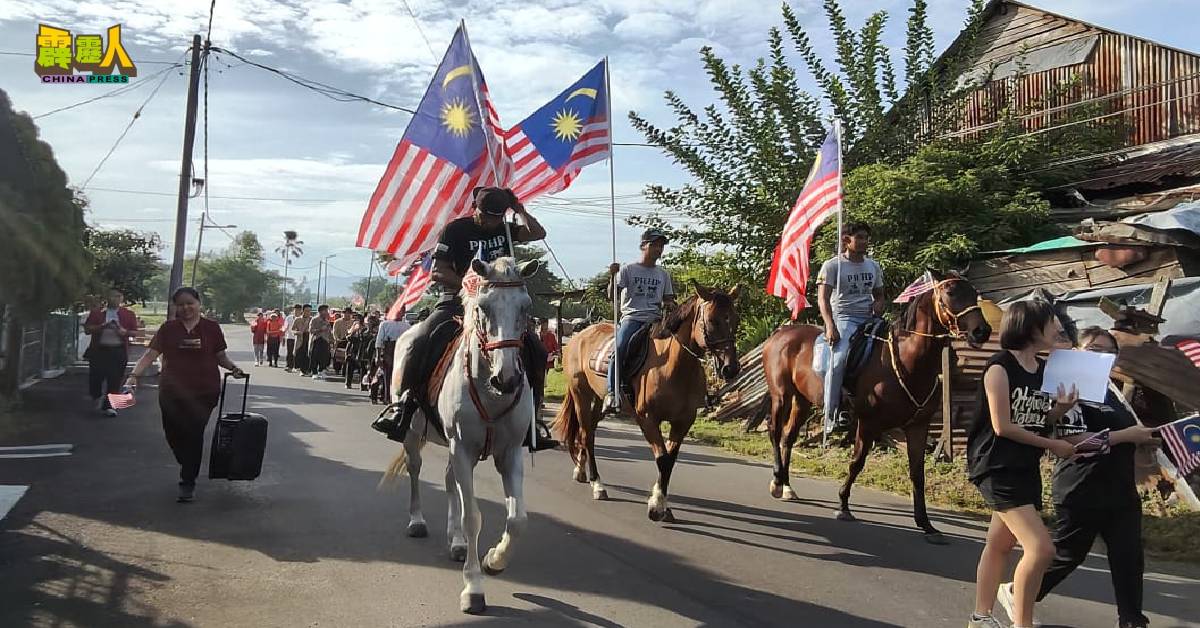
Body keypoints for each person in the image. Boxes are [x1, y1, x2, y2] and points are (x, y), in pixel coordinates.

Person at [997, 327, 1159, 628]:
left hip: (1121, 489)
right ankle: (1016, 591)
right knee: (1067, 556)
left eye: (1109, 352)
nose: (1102, 356)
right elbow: (1076, 444)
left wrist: (1143, 440)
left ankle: (1132, 620)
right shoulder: (1068, 389)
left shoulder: (1114, 393)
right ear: (1078, 352)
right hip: (1082, 488)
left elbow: (1124, 438)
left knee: (1129, 557)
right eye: (1094, 349)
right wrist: (1127, 435)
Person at [381, 186, 556, 451]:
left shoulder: (506, 229)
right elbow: (438, 271)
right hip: (456, 301)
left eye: (497, 217)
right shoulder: (456, 230)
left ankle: (533, 417)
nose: (491, 222)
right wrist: (469, 286)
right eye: (487, 216)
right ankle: (402, 407)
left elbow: (537, 233)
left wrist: (519, 209)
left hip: (497, 307)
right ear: (476, 209)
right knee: (420, 340)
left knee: (536, 348)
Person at [966, 300, 1079, 628]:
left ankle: (980, 617)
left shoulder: (1043, 370)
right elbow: (1003, 426)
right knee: (1042, 549)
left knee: (999, 545)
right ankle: (1022, 624)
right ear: (1030, 329)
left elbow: (1034, 420)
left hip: (1024, 466)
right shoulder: (999, 367)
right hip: (996, 466)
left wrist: (1058, 411)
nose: (1057, 329)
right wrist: (1054, 445)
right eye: (1051, 324)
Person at [126, 287, 246, 503]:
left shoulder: (211, 328)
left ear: (199, 303)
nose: (186, 308)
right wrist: (134, 376)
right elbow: (150, 354)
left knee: (194, 434)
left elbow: (220, 356)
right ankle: (186, 461)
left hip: (204, 391)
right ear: (175, 307)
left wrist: (233, 368)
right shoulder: (168, 329)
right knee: (173, 435)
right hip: (171, 391)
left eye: (190, 303)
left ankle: (187, 481)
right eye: (180, 304)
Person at [815, 222, 886, 433]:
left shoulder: (873, 266)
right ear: (846, 240)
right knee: (837, 362)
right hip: (844, 319)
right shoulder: (832, 265)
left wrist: (879, 305)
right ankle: (831, 414)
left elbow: (880, 294)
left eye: (866, 238)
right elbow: (823, 300)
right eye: (860, 237)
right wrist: (830, 326)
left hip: (869, 319)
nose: (864, 242)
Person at [605, 228, 675, 410]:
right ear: (643, 246)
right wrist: (613, 276)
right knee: (619, 349)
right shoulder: (629, 269)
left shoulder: (663, 274)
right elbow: (612, 295)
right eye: (654, 245)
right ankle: (612, 393)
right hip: (633, 318)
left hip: (656, 320)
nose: (658, 249)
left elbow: (668, 299)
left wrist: (673, 307)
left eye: (661, 246)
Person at [83, 288, 139, 417]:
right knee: (96, 377)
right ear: (107, 298)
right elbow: (87, 329)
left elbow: (134, 332)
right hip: (99, 350)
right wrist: (102, 326)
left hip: (118, 350)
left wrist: (124, 332)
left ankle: (110, 406)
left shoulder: (128, 314)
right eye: (112, 296)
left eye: (118, 296)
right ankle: (96, 396)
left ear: (122, 298)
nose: (115, 299)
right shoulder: (98, 313)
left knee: (115, 379)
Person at [308, 305, 334, 378]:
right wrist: (320, 329)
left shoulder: (327, 321)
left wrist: (331, 340)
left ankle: (321, 371)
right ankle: (314, 372)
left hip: (325, 341)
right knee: (314, 357)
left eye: (327, 310)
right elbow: (311, 330)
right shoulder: (314, 320)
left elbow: (329, 332)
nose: (326, 312)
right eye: (325, 310)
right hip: (316, 340)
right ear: (320, 311)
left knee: (324, 357)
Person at [294, 304, 313, 375]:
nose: (308, 312)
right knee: (301, 354)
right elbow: (292, 329)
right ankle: (302, 370)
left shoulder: (312, 319)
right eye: (306, 311)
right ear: (303, 311)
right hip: (301, 339)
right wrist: (297, 332)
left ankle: (307, 370)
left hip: (310, 339)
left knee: (308, 355)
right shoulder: (298, 319)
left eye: (309, 311)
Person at [283, 303, 301, 372]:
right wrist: (284, 333)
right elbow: (285, 326)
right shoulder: (289, 318)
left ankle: (297, 366)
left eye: (298, 310)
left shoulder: (301, 318)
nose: (297, 311)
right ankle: (289, 365)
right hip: (290, 337)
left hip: (298, 338)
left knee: (298, 352)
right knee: (290, 352)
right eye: (295, 310)